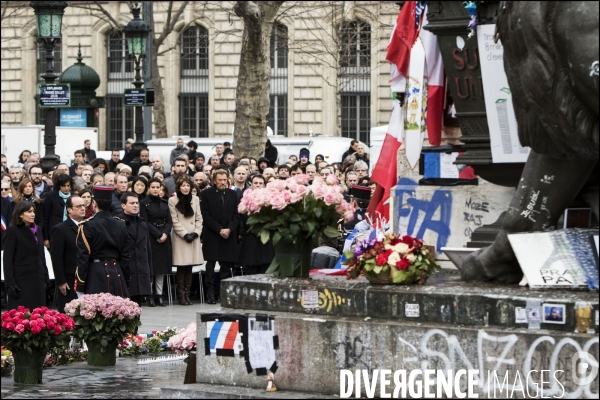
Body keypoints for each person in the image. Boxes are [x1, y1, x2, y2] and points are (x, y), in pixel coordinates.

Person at [74, 185, 130, 297]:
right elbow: (126, 256)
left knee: (96, 312)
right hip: (117, 273)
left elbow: (83, 257)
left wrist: (80, 284)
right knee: (117, 312)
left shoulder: (87, 225)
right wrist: (126, 279)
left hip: (95, 274)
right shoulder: (121, 224)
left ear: (94, 203)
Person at [200, 170, 241, 304]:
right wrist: (219, 229)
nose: (222, 182)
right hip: (212, 235)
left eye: (224, 179)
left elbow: (236, 215)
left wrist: (229, 229)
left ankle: (224, 294)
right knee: (210, 267)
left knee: (226, 267)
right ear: (214, 180)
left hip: (228, 236)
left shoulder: (233, 194)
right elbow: (205, 216)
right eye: (220, 180)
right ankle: (211, 294)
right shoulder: (206, 194)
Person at [3, 201, 48, 310]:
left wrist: (45, 275)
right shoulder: (12, 231)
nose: (33, 214)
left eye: (33, 211)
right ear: (20, 214)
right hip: (21, 280)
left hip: (38, 278)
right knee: (22, 316)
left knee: (39, 316)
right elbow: (7, 260)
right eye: (29, 212)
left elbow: (41, 254)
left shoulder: (38, 230)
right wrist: (10, 283)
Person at [169, 175, 203, 305]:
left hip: (193, 236)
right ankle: (181, 296)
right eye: (183, 185)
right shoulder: (172, 200)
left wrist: (196, 232)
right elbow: (174, 220)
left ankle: (187, 295)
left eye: (188, 185)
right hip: (180, 237)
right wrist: (184, 234)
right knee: (181, 267)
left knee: (189, 267)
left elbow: (199, 218)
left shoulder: (195, 199)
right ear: (178, 187)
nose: (186, 188)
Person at [50, 195, 86, 312]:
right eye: (79, 206)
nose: (83, 208)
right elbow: (56, 257)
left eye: (84, 205)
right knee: (69, 313)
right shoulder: (60, 229)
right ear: (69, 210)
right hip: (69, 278)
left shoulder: (88, 226)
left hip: (86, 277)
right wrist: (61, 281)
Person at [140, 178, 172, 307]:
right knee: (151, 268)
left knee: (161, 269)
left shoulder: (165, 202)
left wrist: (165, 233)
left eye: (157, 187)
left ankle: (159, 295)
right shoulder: (143, 203)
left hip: (164, 238)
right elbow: (145, 221)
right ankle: (150, 295)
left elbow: (169, 221)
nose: (155, 189)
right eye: (152, 187)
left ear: (161, 189)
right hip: (151, 238)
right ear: (148, 188)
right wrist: (158, 234)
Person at [120, 192, 153, 306]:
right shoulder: (119, 223)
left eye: (137, 203)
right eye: (132, 203)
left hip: (142, 272)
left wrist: (150, 277)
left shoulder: (142, 223)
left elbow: (148, 252)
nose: (135, 205)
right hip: (127, 272)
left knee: (137, 309)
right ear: (123, 205)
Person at [239, 175, 274, 275]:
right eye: (256, 183)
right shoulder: (244, 198)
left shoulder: (270, 199)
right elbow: (242, 217)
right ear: (251, 184)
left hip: (266, 241)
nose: (258, 185)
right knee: (251, 273)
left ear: (264, 185)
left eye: (260, 183)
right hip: (251, 241)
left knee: (266, 273)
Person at [42, 173, 72, 248]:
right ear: (59, 186)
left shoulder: (73, 196)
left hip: (70, 230)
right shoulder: (50, 196)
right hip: (54, 231)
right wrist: (46, 238)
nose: (66, 188)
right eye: (63, 186)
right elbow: (46, 217)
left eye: (68, 185)